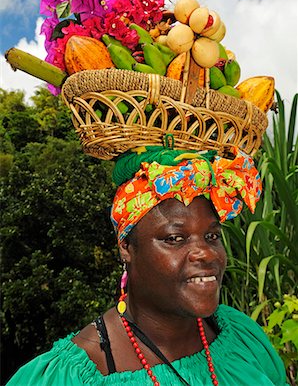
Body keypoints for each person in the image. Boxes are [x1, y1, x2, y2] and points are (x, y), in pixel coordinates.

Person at [6, 147, 287, 386]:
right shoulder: (73, 374)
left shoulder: (240, 337)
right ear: (126, 248)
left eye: (212, 236)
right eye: (175, 238)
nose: (205, 253)